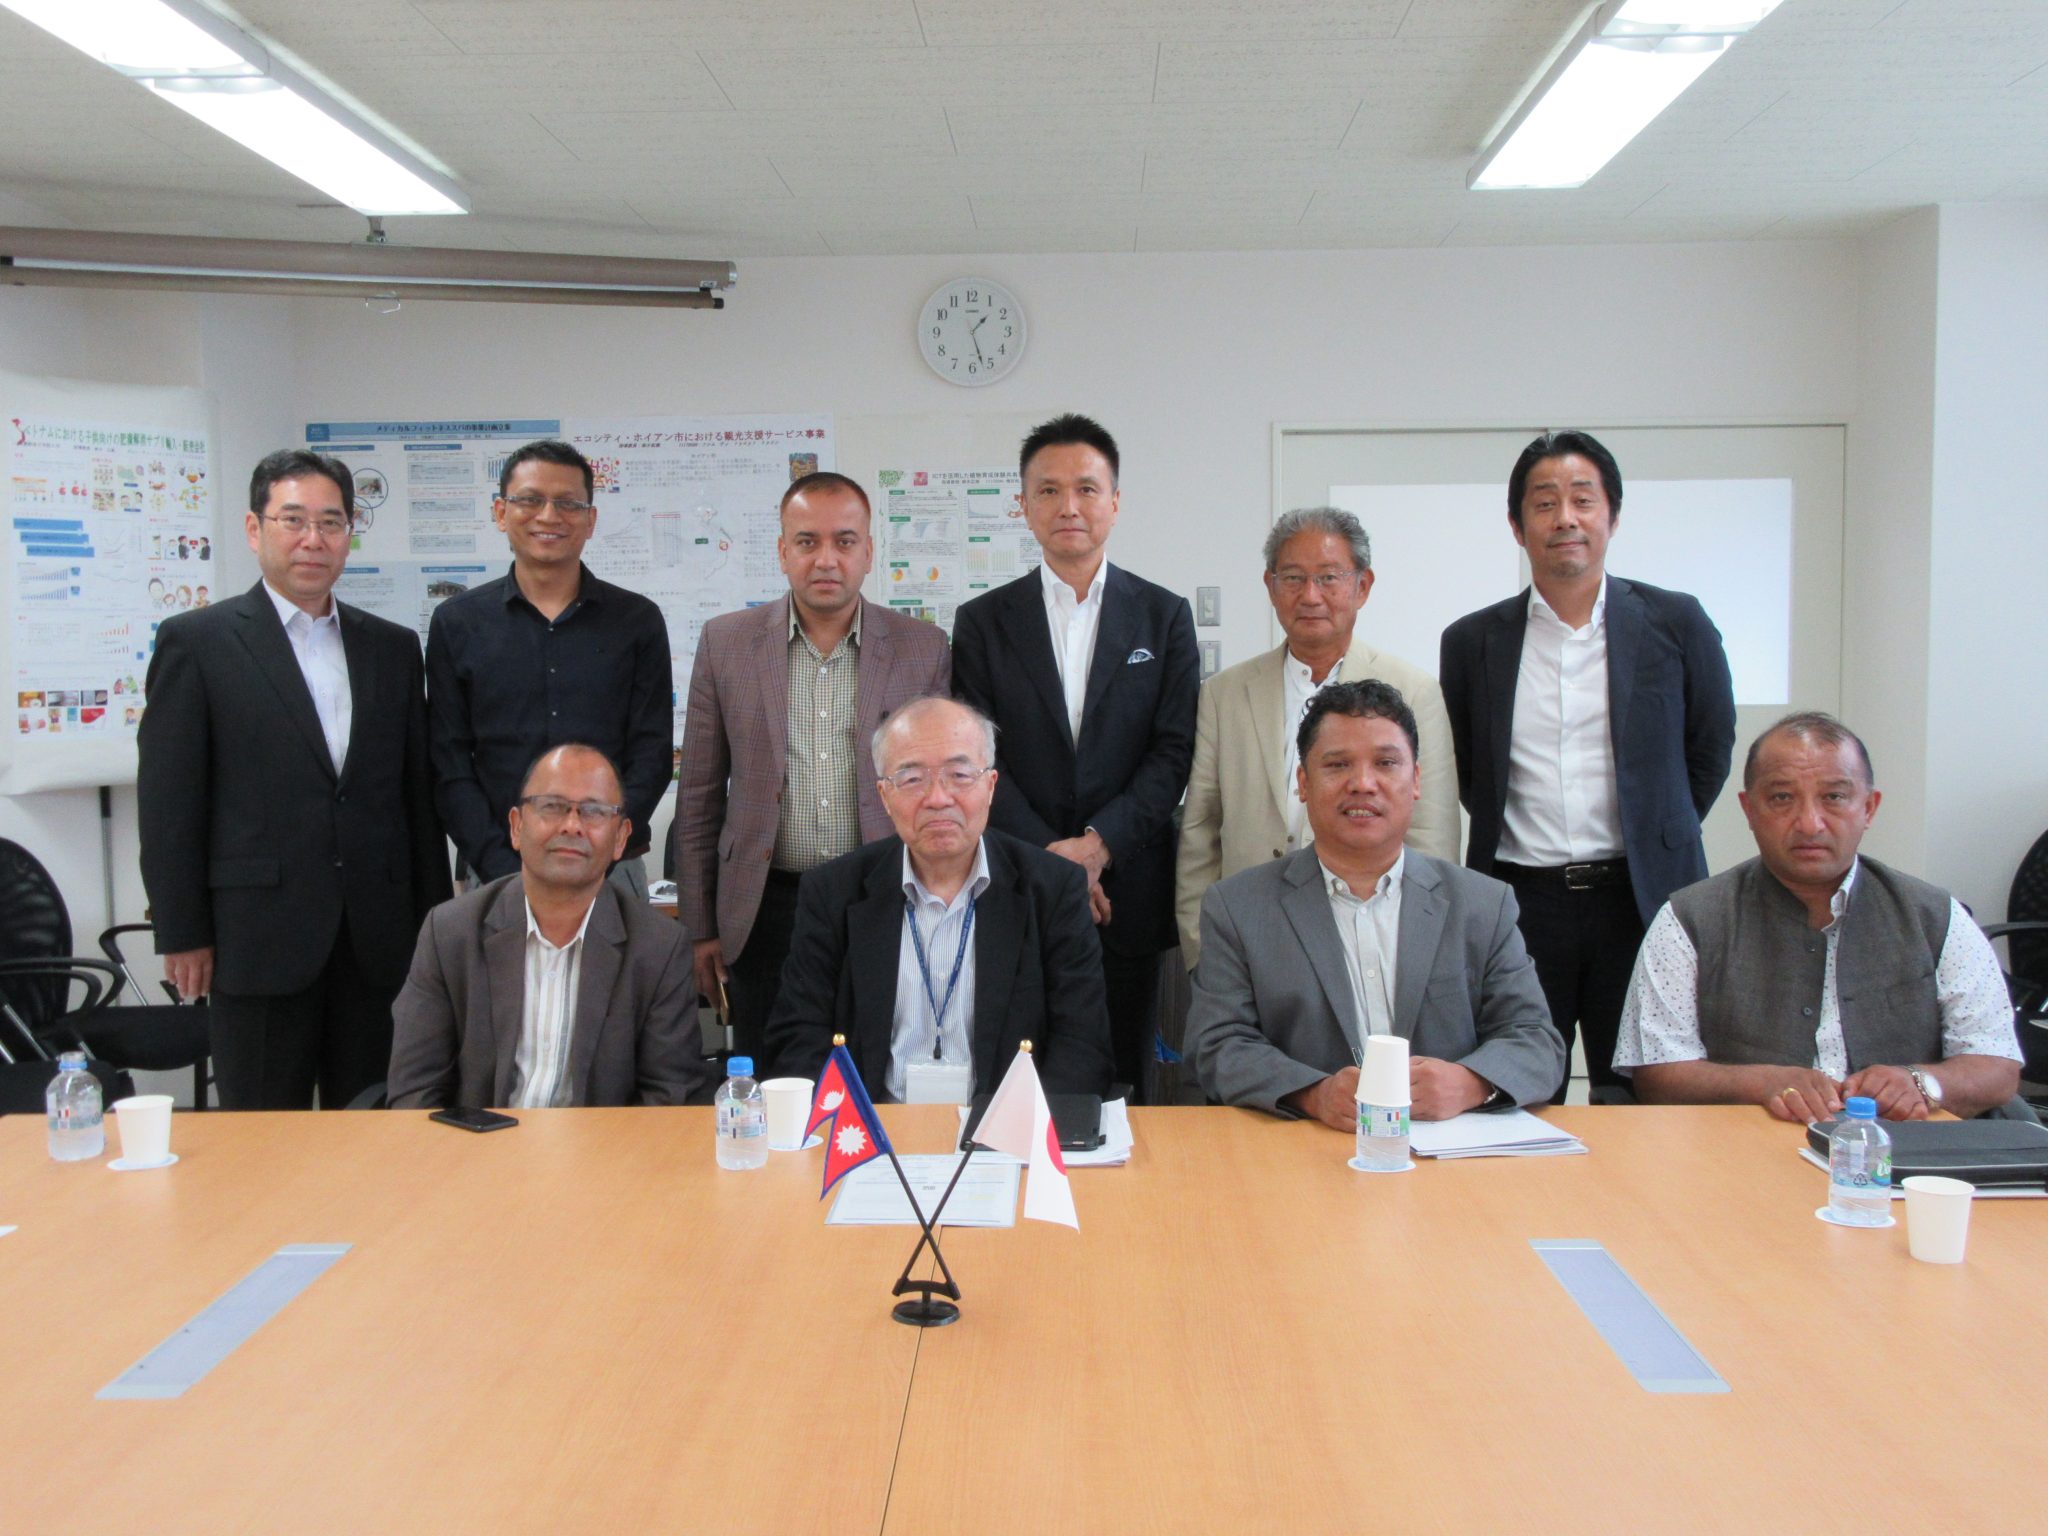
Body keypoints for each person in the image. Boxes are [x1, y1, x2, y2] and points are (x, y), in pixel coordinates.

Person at [138, 449, 450, 1109]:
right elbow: (169, 803)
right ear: (255, 529)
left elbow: (415, 801)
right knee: (261, 1131)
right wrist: (182, 931)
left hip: (377, 938)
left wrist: (433, 925)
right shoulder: (198, 642)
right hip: (256, 937)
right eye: (293, 519)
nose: (314, 539)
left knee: (375, 1121)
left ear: (349, 533)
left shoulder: (392, 647)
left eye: (331, 522)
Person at [1439, 430, 1735, 1101]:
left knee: (1641, 1094)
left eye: (1582, 499)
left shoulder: (1676, 622)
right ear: (1517, 526)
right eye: (1544, 503)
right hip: (1521, 903)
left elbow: (1710, 745)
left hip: (1640, 899)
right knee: (1516, 1088)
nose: (1564, 518)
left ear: (1612, 516)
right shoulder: (1471, 641)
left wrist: (1661, 831)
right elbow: (1470, 768)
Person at [951, 414, 1198, 1100]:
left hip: (1128, 889)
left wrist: (1098, 846)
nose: (1069, 506)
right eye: (1049, 490)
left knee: (1124, 1082)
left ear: (1115, 502)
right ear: (1023, 505)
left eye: (1087, 489)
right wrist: (1054, 859)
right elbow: (978, 759)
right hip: (1016, 881)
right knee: (1016, 1077)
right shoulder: (983, 622)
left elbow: (1173, 752)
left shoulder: (1164, 616)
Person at [1186, 680, 1563, 1124]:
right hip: (1305, 1145)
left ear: (1416, 780)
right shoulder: (1238, 907)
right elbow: (1217, 1045)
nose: (1363, 784)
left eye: (1386, 763)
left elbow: (1536, 1041)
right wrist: (1313, 1094)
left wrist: (1470, 1083)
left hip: (1446, 1148)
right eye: (1337, 764)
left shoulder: (1483, 904)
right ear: (1303, 783)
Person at [1616, 712, 2023, 1121]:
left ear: (1869, 808)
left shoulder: (1936, 916)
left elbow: (1996, 1064)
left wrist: (1922, 1081)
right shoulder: (1688, 919)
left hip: (1902, 1145)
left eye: (1834, 797)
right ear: (1749, 809)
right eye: (1782, 798)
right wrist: (1761, 1083)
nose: (1810, 824)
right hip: (1744, 1142)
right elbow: (1659, 1074)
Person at [673, 471, 950, 1062]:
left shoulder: (922, 647)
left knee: (880, 1067)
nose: (826, 559)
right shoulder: (726, 643)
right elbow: (698, 796)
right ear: (782, 551)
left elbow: (941, 790)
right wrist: (699, 928)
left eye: (844, 541)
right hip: (764, 905)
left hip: (882, 895)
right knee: (775, 1074)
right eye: (807, 541)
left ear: (868, 551)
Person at [764, 697, 1114, 1102]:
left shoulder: (1052, 889)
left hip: (1004, 1127)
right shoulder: (833, 892)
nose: (938, 798)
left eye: (960, 775)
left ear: (990, 786)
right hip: (871, 1125)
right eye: (912, 779)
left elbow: (1082, 1044)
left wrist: (1018, 1130)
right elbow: (798, 1039)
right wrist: (852, 1127)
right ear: (884, 796)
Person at [1175, 507, 1457, 967]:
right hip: (1250, 938)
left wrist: (1418, 957)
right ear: (1270, 586)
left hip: (1375, 941)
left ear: (1362, 586)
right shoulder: (1225, 694)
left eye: (1329, 578)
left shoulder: (1415, 691)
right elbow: (1200, 833)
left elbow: (1433, 836)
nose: (1310, 595)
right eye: (1292, 578)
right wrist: (1203, 955)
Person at [387, 744, 711, 1110]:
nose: (571, 825)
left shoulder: (659, 948)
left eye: (593, 811)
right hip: (480, 1144)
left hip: (603, 1146)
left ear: (621, 838)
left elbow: (668, 1099)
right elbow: (415, 1093)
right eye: (552, 806)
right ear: (516, 826)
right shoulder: (449, 934)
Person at [426, 439, 672, 892]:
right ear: (501, 512)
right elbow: (449, 764)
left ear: (590, 520)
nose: (548, 516)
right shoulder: (458, 623)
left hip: (612, 870)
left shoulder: (637, 621)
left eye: (568, 503)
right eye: (530, 500)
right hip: (496, 869)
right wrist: (502, 868)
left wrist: (600, 853)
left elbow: (651, 756)